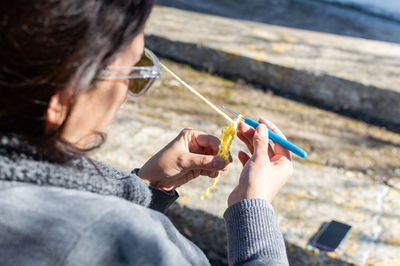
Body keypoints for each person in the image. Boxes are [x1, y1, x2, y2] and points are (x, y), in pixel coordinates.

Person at [0, 0, 294, 265]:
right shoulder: (113, 234)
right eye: (132, 71)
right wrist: (254, 208)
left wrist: (145, 186)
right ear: (64, 100)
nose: (127, 92)